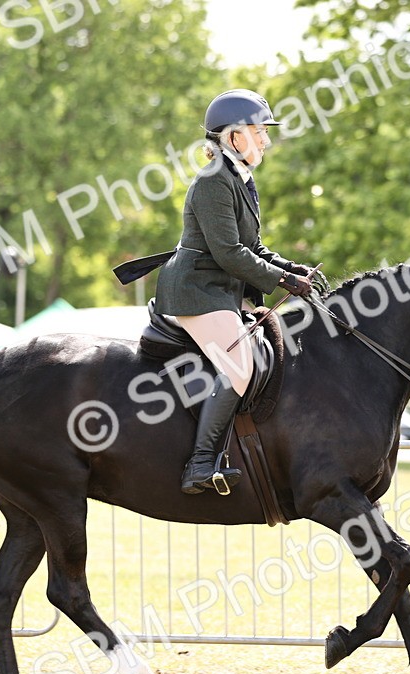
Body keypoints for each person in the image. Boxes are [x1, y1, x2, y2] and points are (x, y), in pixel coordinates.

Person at [153, 89, 315, 495]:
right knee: (239, 366)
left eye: (264, 133)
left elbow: (253, 246)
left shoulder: (240, 178)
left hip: (218, 289)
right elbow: (229, 252)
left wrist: (289, 268)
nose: (265, 140)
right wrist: (282, 281)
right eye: (259, 132)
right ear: (233, 137)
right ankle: (200, 464)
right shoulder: (212, 181)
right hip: (196, 290)